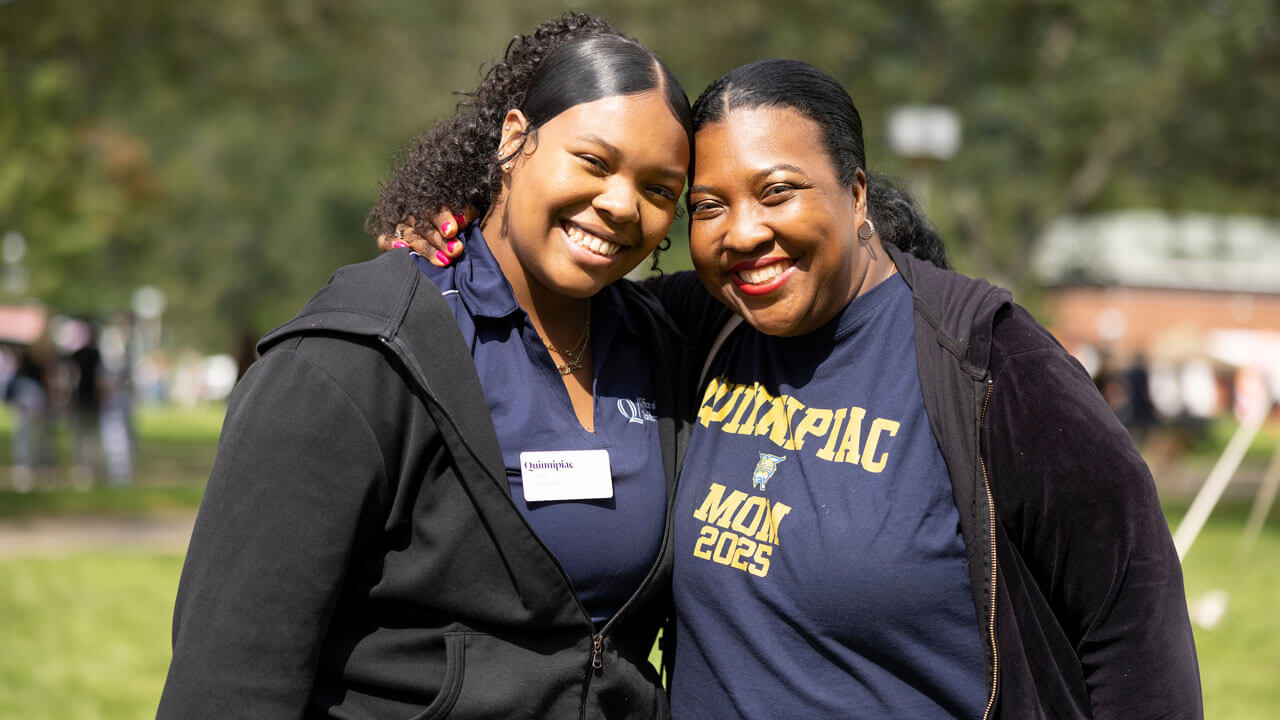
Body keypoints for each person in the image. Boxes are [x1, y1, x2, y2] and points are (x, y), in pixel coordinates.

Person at [399, 58, 1202, 720]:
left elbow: (1133, 632)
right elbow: (557, 273)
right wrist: (470, 219)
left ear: (856, 194)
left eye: (777, 191)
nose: (744, 233)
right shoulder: (700, 330)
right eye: (709, 206)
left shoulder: (991, 364)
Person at [158, 14, 693, 719]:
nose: (622, 204)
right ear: (512, 138)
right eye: (594, 162)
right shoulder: (356, 355)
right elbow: (229, 683)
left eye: (659, 190)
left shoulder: (662, 342)